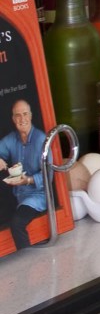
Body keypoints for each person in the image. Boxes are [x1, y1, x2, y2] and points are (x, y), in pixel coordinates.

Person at [0, 97, 51, 251]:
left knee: (17, 224)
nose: (22, 119)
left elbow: (49, 175)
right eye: (18, 115)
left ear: (31, 115)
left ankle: (28, 261)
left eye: (25, 114)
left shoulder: (40, 139)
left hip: (38, 197)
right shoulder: (12, 138)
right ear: (13, 119)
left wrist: (28, 180)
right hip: (18, 195)